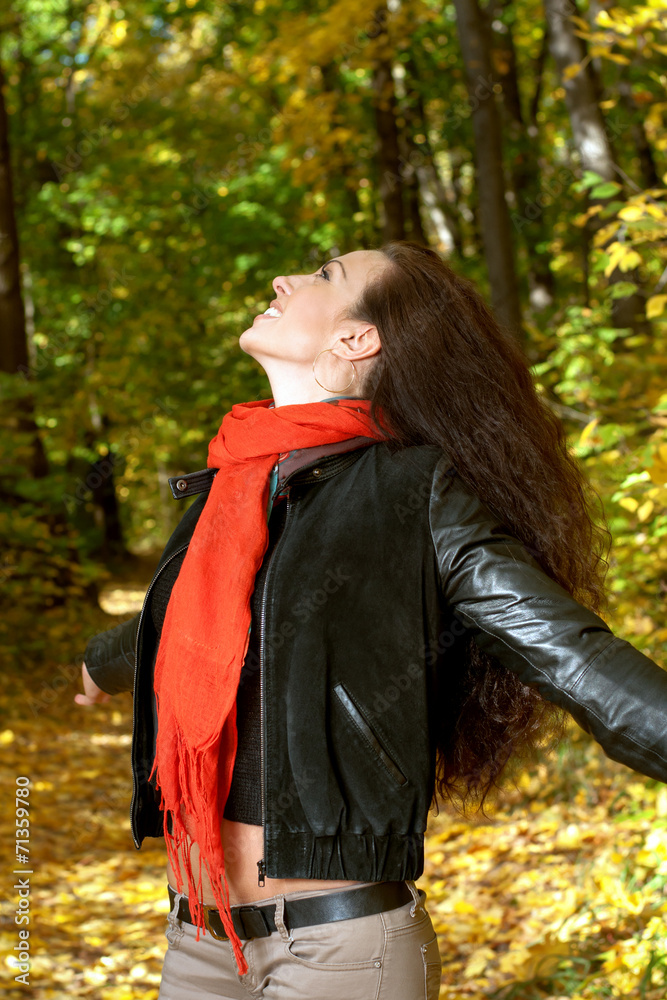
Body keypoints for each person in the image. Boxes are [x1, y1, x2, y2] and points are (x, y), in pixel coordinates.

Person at [75, 241, 667, 1000]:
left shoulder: (416, 493)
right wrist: (102, 660)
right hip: (199, 946)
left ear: (357, 338)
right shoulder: (232, 483)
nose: (284, 277)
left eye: (325, 275)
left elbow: (570, 654)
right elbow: (206, 619)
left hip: (338, 954)